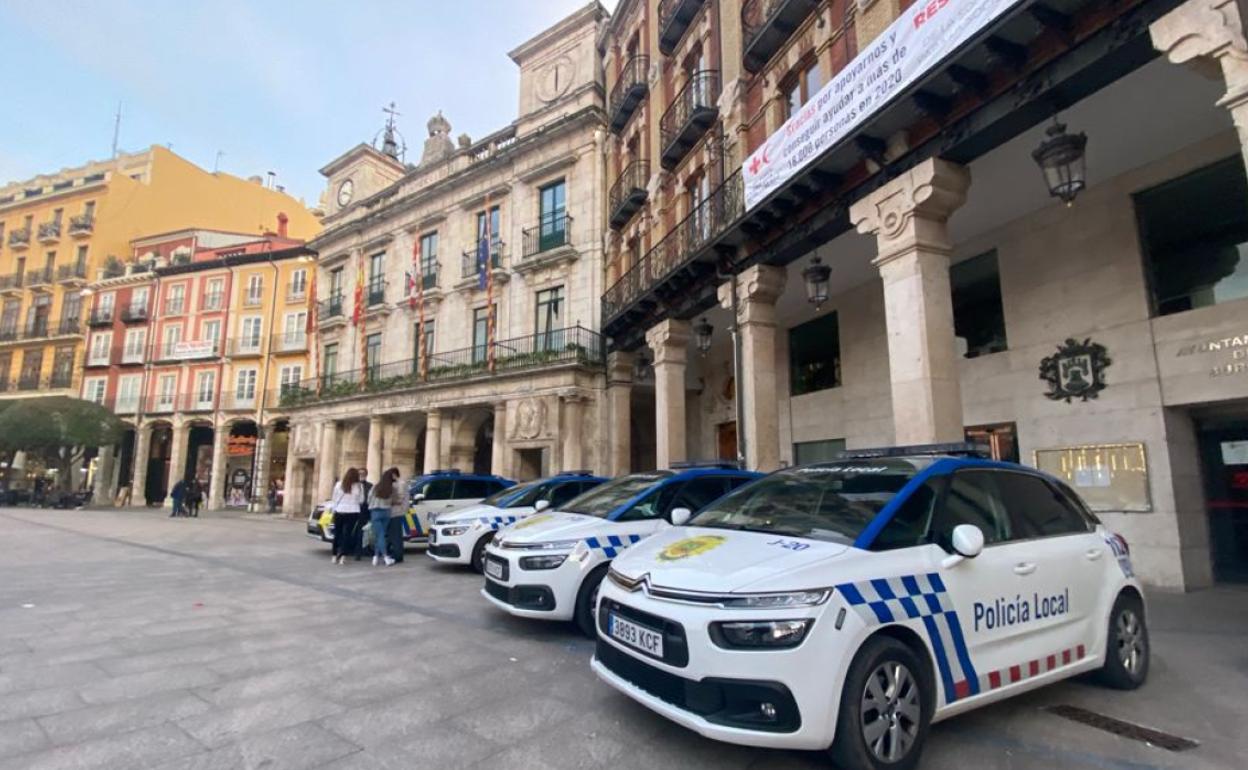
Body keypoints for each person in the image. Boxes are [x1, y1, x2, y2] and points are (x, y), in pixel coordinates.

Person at [366, 468, 404, 567]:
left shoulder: (375, 487)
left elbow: (368, 499)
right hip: (386, 512)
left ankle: (385, 557)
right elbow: (395, 501)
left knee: (379, 535)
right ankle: (376, 556)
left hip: (375, 512)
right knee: (381, 535)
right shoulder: (392, 489)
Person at [329, 468, 365, 565]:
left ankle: (334, 555)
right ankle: (343, 556)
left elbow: (334, 498)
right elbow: (361, 500)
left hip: (339, 510)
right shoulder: (359, 486)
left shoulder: (339, 484)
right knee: (347, 534)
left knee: (337, 534)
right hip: (353, 511)